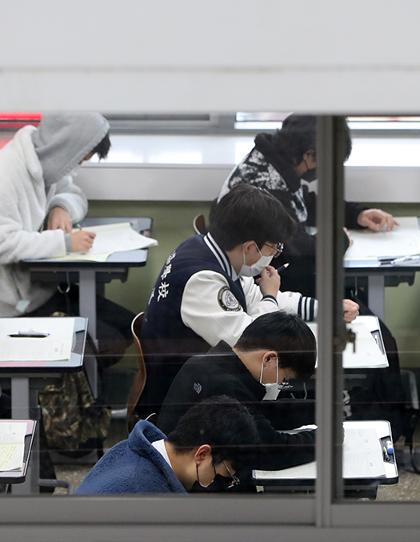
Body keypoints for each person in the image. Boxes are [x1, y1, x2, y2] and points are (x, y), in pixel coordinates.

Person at [138, 184, 358, 416]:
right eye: (274, 247)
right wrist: (270, 296)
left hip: (207, 384)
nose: (275, 254)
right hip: (179, 405)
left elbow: (256, 299)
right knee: (302, 392)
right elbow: (254, 343)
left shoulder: (214, 252)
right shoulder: (202, 280)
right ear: (250, 247)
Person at [0, 112, 133, 362]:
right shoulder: (6, 174)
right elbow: (4, 243)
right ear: (65, 148)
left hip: (43, 289)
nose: (76, 167)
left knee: (129, 326)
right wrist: (64, 244)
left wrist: (61, 206)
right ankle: (62, 396)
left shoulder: (47, 162)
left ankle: (81, 392)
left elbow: (74, 193)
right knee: (106, 343)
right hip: (14, 307)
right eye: (79, 160)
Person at [218, 114, 397, 295]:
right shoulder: (267, 184)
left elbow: (303, 204)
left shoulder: (273, 163)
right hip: (268, 289)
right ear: (310, 156)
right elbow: (302, 256)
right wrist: (338, 240)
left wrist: (356, 215)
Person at [158, 312, 317, 470]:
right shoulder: (227, 387)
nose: (280, 383)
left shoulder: (209, 363)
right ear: (269, 359)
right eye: (285, 377)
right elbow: (270, 451)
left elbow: (260, 414)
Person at [76, 396, 258, 495]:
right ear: (202, 454)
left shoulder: (130, 450)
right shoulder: (148, 492)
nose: (213, 482)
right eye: (223, 474)